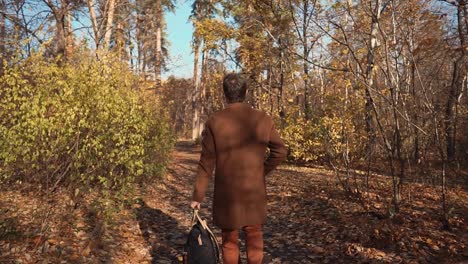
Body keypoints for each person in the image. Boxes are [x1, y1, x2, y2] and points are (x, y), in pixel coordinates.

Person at [190, 73, 287, 264]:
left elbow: (206, 163)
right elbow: (281, 151)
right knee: (254, 235)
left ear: (224, 94)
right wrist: (262, 171)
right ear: (246, 92)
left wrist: (197, 197)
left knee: (229, 240)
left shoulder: (214, 122)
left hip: (227, 194)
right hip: (254, 191)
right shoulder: (263, 119)